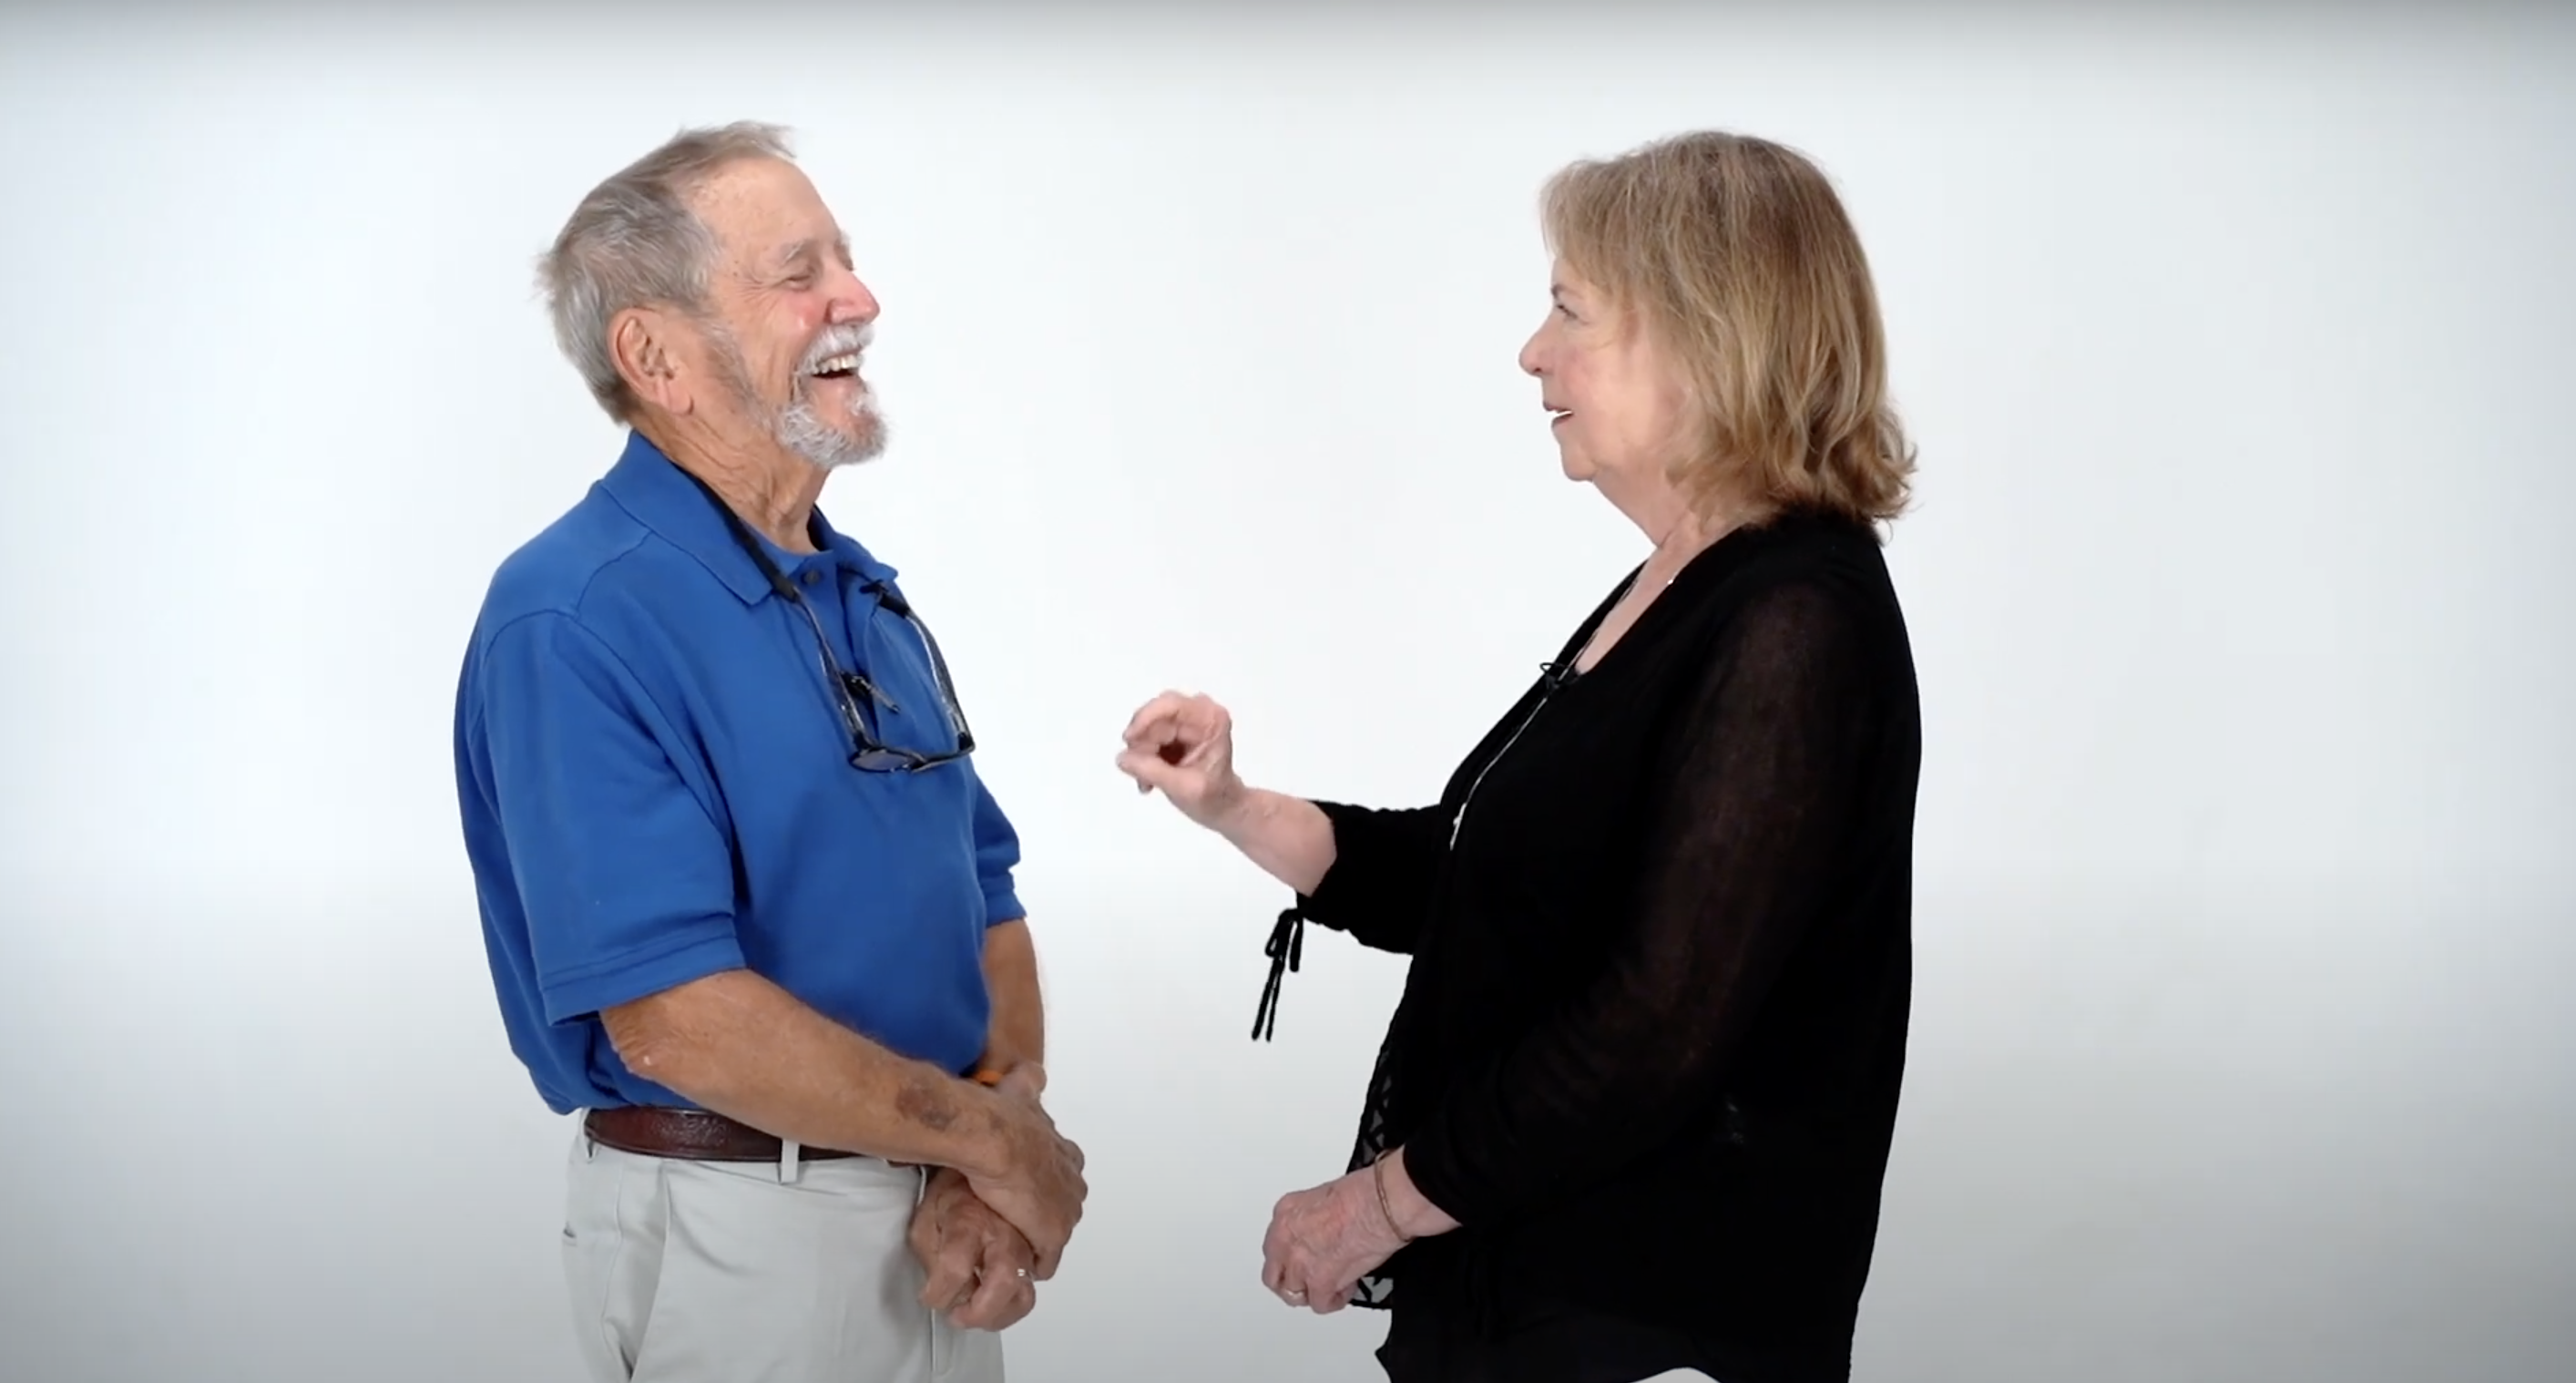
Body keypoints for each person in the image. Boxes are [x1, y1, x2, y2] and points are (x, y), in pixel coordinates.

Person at [1116, 129, 1923, 1383]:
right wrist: (1230, 804)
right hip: (1546, 1302)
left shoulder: (1793, 620)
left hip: (1658, 1321)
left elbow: (1653, 1032)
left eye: (1570, 309)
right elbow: (1474, 879)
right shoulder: (1681, 584)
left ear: (1705, 336)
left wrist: (1379, 1204)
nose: (1532, 352)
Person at [453, 121, 1086, 1383]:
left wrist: (988, 1145)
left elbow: (989, 906)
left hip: (936, 1222)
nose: (860, 299)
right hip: (742, 1239)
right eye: (800, 271)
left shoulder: (856, 595)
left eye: (845, 259)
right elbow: (681, 1022)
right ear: (657, 356)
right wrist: (994, 1138)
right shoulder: (575, 614)